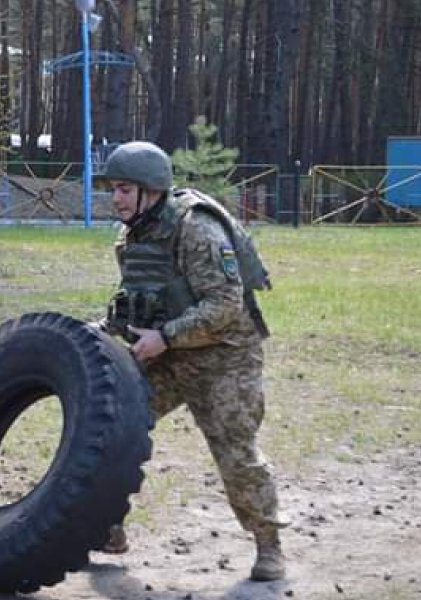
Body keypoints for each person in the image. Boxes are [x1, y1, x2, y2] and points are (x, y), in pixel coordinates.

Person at [95, 141, 289, 581]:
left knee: (236, 455)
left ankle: (269, 546)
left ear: (150, 189)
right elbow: (140, 300)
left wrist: (165, 337)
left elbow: (225, 305)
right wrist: (102, 331)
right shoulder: (134, 235)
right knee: (109, 431)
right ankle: (106, 526)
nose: (117, 199)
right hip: (169, 354)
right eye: (113, 190)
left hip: (225, 356)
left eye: (125, 189)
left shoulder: (196, 229)